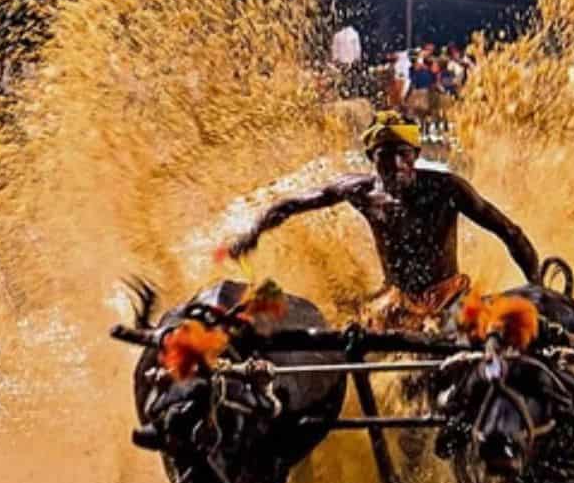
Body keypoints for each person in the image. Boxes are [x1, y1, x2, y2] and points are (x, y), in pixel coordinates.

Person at [227, 112, 540, 330]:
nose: (394, 164)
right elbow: (295, 203)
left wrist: (537, 285)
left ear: (416, 155)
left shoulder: (447, 189)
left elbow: (509, 232)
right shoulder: (360, 191)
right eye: (384, 155)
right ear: (370, 159)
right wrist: (253, 232)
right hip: (393, 301)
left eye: (402, 154)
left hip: (448, 298)